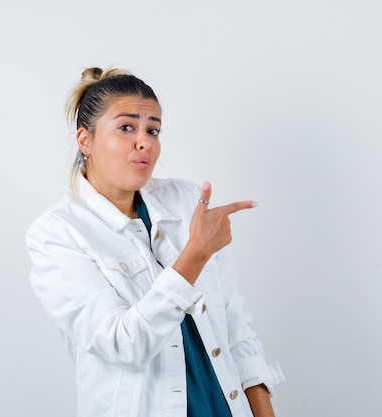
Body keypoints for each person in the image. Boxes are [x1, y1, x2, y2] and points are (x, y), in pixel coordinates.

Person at [26, 67, 284, 417]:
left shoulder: (187, 201)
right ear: (85, 140)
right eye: (126, 127)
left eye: (153, 129)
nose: (144, 141)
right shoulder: (57, 234)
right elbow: (123, 344)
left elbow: (234, 326)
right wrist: (196, 253)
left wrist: (263, 409)